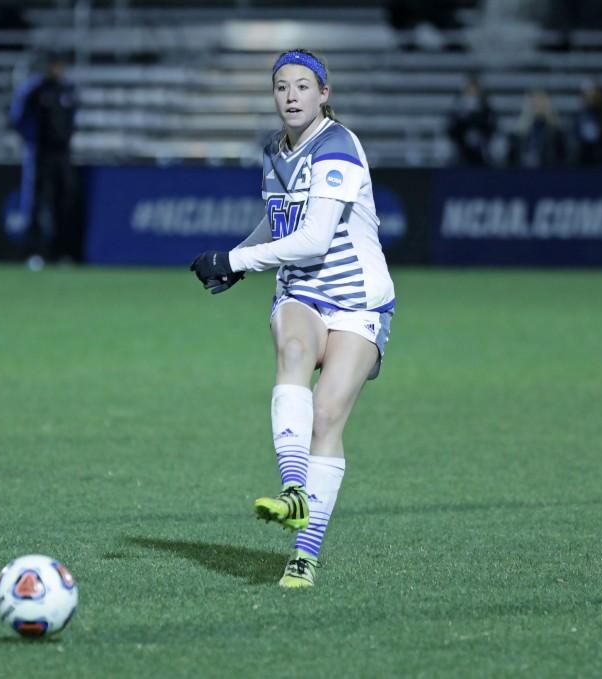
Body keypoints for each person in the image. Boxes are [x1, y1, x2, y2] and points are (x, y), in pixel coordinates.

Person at [189, 49, 395, 588]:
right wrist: (241, 257)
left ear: (324, 94)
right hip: (302, 291)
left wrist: (233, 260)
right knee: (295, 351)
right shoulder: (273, 151)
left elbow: (314, 238)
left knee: (326, 418)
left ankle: (304, 555)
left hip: (358, 300)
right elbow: (281, 221)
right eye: (282, 87)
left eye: (304, 86)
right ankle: (295, 490)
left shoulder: (338, 146)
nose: (292, 96)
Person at [8, 52, 79, 267]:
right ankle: (33, 252)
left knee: (63, 201)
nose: (59, 69)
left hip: (62, 154)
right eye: (56, 65)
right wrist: (32, 140)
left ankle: (61, 253)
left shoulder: (66, 90)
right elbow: (16, 118)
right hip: (39, 154)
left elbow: (72, 118)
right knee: (36, 202)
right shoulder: (34, 89)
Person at [507, 88, 566, 168]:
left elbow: (561, 157)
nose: (539, 105)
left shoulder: (557, 133)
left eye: (543, 101)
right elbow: (513, 159)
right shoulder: (520, 134)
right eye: (536, 102)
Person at [445, 74, 497, 166]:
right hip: (461, 147)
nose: (473, 93)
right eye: (470, 90)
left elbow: (492, 126)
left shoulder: (486, 108)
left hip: (481, 148)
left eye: (475, 90)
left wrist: (477, 120)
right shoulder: (457, 107)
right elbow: (450, 128)